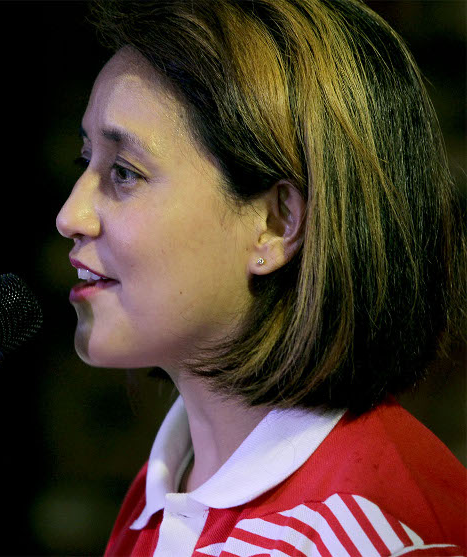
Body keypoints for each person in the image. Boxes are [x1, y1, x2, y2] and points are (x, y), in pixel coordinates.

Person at [55, 1, 466, 555]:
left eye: (124, 173)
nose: (70, 216)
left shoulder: (356, 535)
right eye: (87, 159)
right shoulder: (165, 489)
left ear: (277, 224)